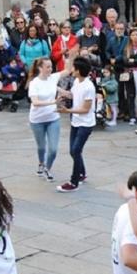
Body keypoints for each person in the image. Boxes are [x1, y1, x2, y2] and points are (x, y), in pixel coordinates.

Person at [28, 57, 71, 181]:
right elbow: (35, 102)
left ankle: (48, 168)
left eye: (51, 66)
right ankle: (41, 163)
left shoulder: (53, 78)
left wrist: (71, 57)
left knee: (53, 149)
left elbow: (67, 71)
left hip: (53, 118)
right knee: (41, 147)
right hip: (37, 120)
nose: (50, 69)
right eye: (47, 67)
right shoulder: (34, 83)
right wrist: (54, 101)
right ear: (40, 68)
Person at [56, 57, 96, 193]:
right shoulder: (77, 82)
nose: (71, 70)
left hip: (86, 123)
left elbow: (86, 109)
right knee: (74, 151)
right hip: (76, 121)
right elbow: (73, 95)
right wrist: (60, 92)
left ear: (78, 70)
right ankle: (82, 173)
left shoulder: (89, 86)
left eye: (73, 68)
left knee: (75, 150)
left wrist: (68, 111)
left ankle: (74, 182)